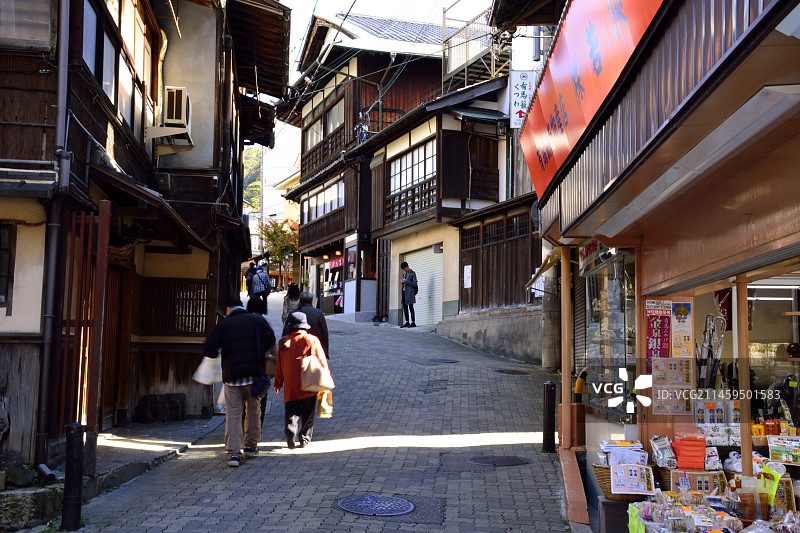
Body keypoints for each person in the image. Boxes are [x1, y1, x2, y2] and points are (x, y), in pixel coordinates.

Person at [205, 297, 276, 467]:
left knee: (234, 415)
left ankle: (234, 454)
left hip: (232, 378)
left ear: (228, 309)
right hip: (254, 375)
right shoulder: (257, 321)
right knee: (253, 411)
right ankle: (250, 446)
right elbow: (271, 341)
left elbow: (210, 349)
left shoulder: (223, 325)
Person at [274, 311, 329, 449]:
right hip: (309, 383)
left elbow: (279, 365)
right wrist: (325, 377)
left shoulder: (284, 343)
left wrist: (278, 383)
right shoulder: (312, 340)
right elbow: (322, 362)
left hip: (291, 385)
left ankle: (290, 435)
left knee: (291, 412)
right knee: (308, 413)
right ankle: (304, 438)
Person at [246, 297, 278, 428]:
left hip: (244, 364)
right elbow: (272, 343)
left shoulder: (243, 321)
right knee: (260, 396)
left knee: (244, 399)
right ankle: (257, 427)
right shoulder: (265, 321)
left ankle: (244, 427)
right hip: (262, 364)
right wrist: (276, 359)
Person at [282, 291, 329, 359]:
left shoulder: (293, 313)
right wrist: (325, 351)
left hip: (296, 347)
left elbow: (286, 332)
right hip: (314, 347)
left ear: (300, 302)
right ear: (312, 301)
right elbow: (324, 333)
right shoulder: (318, 313)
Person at [400, 261, 417, 328]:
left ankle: (413, 322)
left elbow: (414, 284)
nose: (404, 270)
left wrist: (406, 281)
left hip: (410, 292)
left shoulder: (413, 273)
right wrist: (402, 282)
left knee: (411, 307)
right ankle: (407, 321)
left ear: (407, 267)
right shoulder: (404, 274)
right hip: (404, 292)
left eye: (404, 269)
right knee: (405, 307)